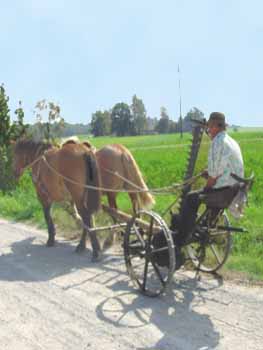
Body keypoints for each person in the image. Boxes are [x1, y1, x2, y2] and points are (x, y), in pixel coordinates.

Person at [176, 112, 244, 243]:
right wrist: (209, 173)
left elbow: (213, 177)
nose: (208, 131)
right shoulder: (231, 141)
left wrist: (206, 187)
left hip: (223, 191)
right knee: (197, 195)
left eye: (209, 127)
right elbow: (222, 168)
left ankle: (182, 235)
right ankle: (200, 225)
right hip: (233, 189)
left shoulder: (217, 142)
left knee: (190, 198)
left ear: (215, 127)